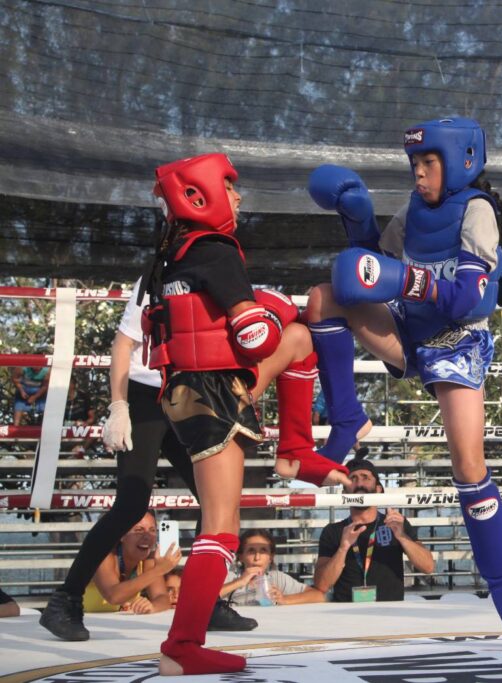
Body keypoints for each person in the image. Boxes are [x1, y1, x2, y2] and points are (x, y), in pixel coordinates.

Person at [305, 116, 502, 639]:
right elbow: (372, 266)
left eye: (428, 162)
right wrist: (355, 219)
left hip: (457, 341)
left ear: (462, 161)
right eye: (414, 163)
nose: (418, 173)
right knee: (326, 297)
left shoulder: (477, 211)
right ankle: (347, 418)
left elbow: (469, 299)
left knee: (468, 465)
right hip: (410, 331)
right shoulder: (412, 210)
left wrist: (410, 280)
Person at [139, 153, 352, 676]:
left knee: (300, 337)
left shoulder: (172, 254)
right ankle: (182, 646)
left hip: (190, 390)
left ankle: (295, 451)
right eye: (230, 186)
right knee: (220, 528)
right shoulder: (215, 249)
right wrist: (270, 309)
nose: (237, 197)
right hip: (212, 390)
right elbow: (253, 336)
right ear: (200, 194)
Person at [38, 275, 255, 642]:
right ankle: (65, 600)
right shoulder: (160, 274)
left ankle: (206, 603)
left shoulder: (220, 273)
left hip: (190, 392)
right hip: (146, 394)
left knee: (217, 500)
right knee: (131, 505)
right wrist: (118, 405)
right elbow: (123, 342)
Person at [313, 459, 434, 602]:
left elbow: (428, 567)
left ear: (378, 489)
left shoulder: (396, 524)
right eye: (353, 478)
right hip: (346, 612)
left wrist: (402, 537)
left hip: (390, 612)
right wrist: (343, 548)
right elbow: (321, 585)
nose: (359, 483)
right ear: (344, 492)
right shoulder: (333, 531)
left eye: (366, 477)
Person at [82, 511, 180, 614]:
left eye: (152, 530)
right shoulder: (103, 554)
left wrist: (152, 607)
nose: (147, 536)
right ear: (122, 535)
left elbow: (162, 597)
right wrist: (158, 570)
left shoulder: (148, 559)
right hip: (80, 620)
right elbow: (113, 596)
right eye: (139, 530)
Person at [221, 529, 325, 606]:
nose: (257, 558)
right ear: (240, 556)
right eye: (251, 551)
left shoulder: (277, 578)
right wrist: (240, 582)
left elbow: (318, 596)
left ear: (270, 557)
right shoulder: (230, 577)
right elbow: (210, 597)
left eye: (263, 551)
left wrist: (284, 599)